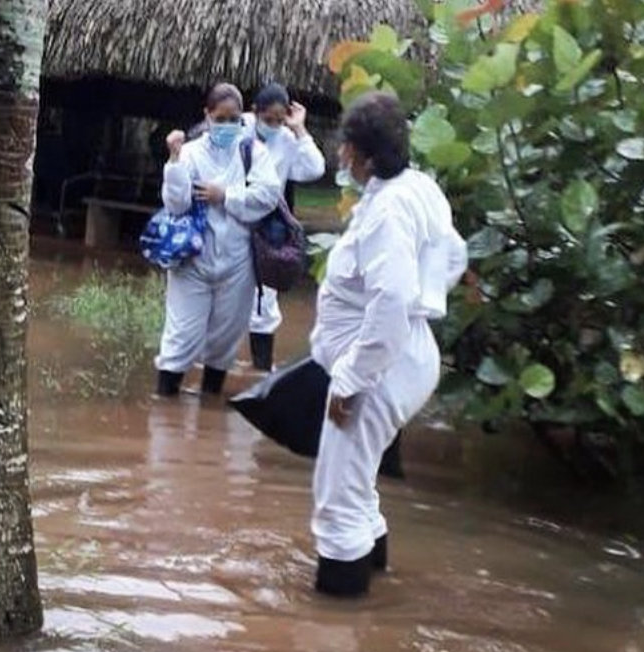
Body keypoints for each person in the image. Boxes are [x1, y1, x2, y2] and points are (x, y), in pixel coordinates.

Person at [310, 92, 467, 597]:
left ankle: (335, 630)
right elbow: (454, 254)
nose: (339, 156)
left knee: (337, 502)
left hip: (380, 367)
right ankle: (375, 581)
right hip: (404, 354)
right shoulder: (417, 187)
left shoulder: (390, 211)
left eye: (346, 148)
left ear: (366, 155)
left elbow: (394, 298)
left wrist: (353, 379)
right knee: (358, 485)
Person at [155, 83, 280, 397]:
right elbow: (176, 204)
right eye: (219, 118)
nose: (226, 126)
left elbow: (268, 196)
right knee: (182, 335)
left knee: (225, 339)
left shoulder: (253, 153)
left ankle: (209, 400)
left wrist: (226, 196)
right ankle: (164, 399)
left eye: (233, 119)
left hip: (238, 262)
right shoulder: (190, 153)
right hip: (192, 259)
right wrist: (173, 161)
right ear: (207, 116)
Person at [242, 83, 326, 371]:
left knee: (264, 298)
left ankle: (259, 371)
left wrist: (299, 129)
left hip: (268, 229)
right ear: (255, 112)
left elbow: (315, 168)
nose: (275, 126)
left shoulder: (288, 140)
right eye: (269, 120)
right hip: (232, 219)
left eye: (280, 120)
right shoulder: (239, 127)